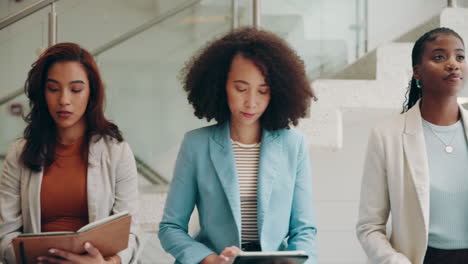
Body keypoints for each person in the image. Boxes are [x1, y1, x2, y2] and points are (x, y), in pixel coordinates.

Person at [158, 27, 317, 264]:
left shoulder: (293, 145)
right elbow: (170, 227)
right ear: (221, 85)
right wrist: (208, 259)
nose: (251, 102)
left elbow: (304, 231)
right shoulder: (197, 145)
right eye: (241, 89)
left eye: (263, 91)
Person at [0, 43, 140, 264]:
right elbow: (5, 235)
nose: (64, 99)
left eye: (76, 90)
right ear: (42, 93)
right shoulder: (19, 153)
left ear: (91, 93)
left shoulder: (117, 152)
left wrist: (109, 263)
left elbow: (130, 233)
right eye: (53, 89)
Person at [356, 27, 468, 264]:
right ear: (417, 72)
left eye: (460, 56)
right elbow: (369, 226)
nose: (453, 64)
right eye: (439, 57)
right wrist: (395, 261)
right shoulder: (387, 135)